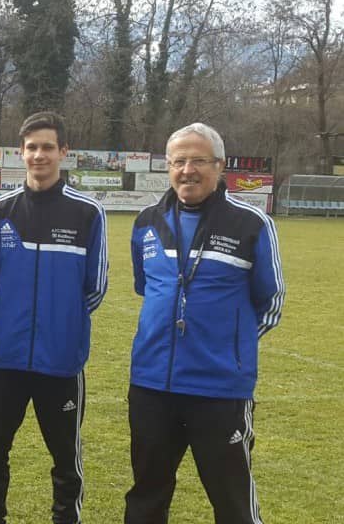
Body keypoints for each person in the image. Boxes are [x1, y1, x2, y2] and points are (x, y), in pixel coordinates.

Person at [124, 123, 285, 524]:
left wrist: (230, 349)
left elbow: (271, 301)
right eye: (178, 161)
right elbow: (148, 289)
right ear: (168, 167)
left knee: (231, 499)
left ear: (220, 165)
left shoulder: (250, 224)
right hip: (151, 385)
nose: (187, 170)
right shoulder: (147, 221)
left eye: (198, 160)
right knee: (146, 494)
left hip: (219, 388)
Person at [0, 111, 109, 524]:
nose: (39, 155)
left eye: (47, 147)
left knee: (65, 454)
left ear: (64, 152)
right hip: (7, 357)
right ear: (20, 153)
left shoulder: (87, 213)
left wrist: (61, 322)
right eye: (31, 148)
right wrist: (19, 318)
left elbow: (95, 286)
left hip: (61, 359)